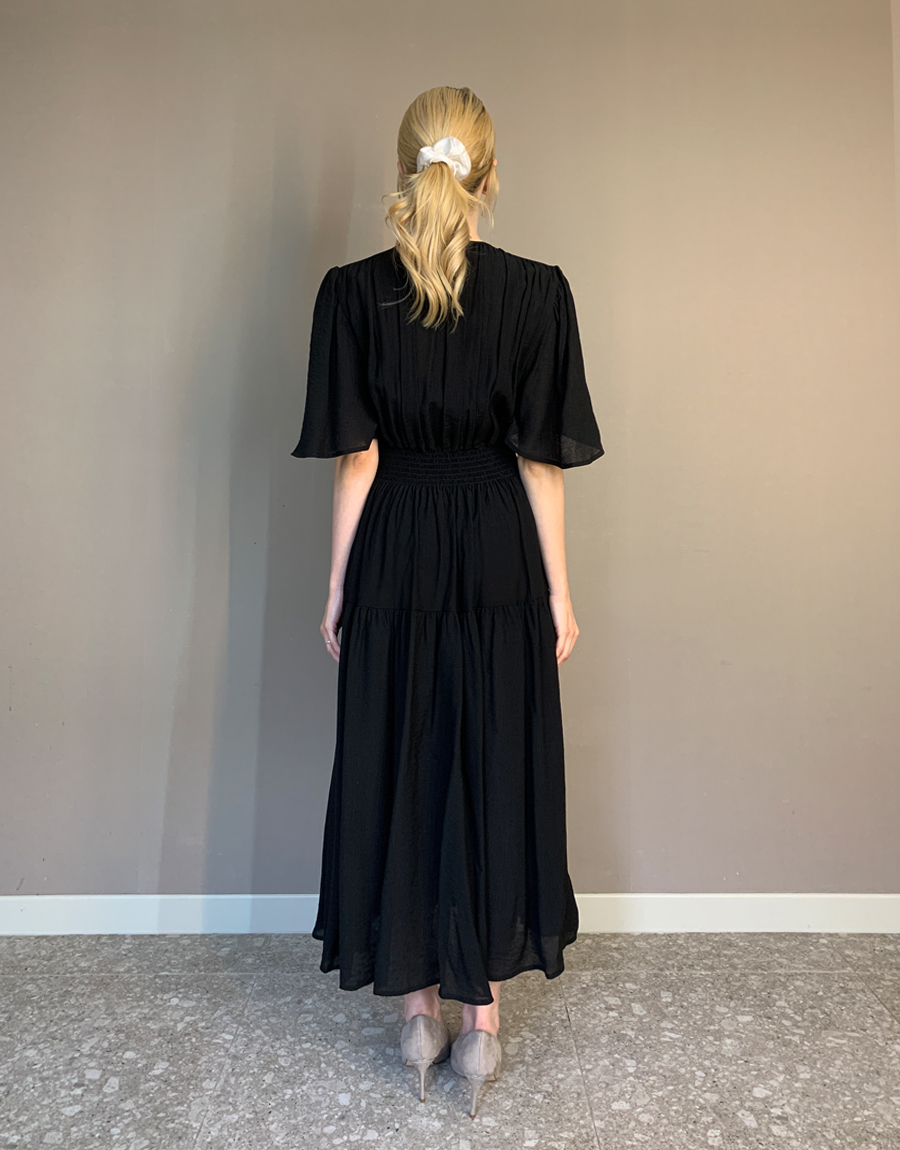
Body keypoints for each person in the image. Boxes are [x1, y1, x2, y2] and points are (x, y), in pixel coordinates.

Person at [290, 85, 605, 1118]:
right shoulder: (538, 293)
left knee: (402, 756)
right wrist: (559, 592)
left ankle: (417, 1015)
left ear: (404, 169)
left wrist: (339, 585)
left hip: (396, 551)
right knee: (492, 758)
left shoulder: (350, 293)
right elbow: (542, 462)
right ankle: (481, 1026)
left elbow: (358, 460)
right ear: (489, 176)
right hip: (498, 552)